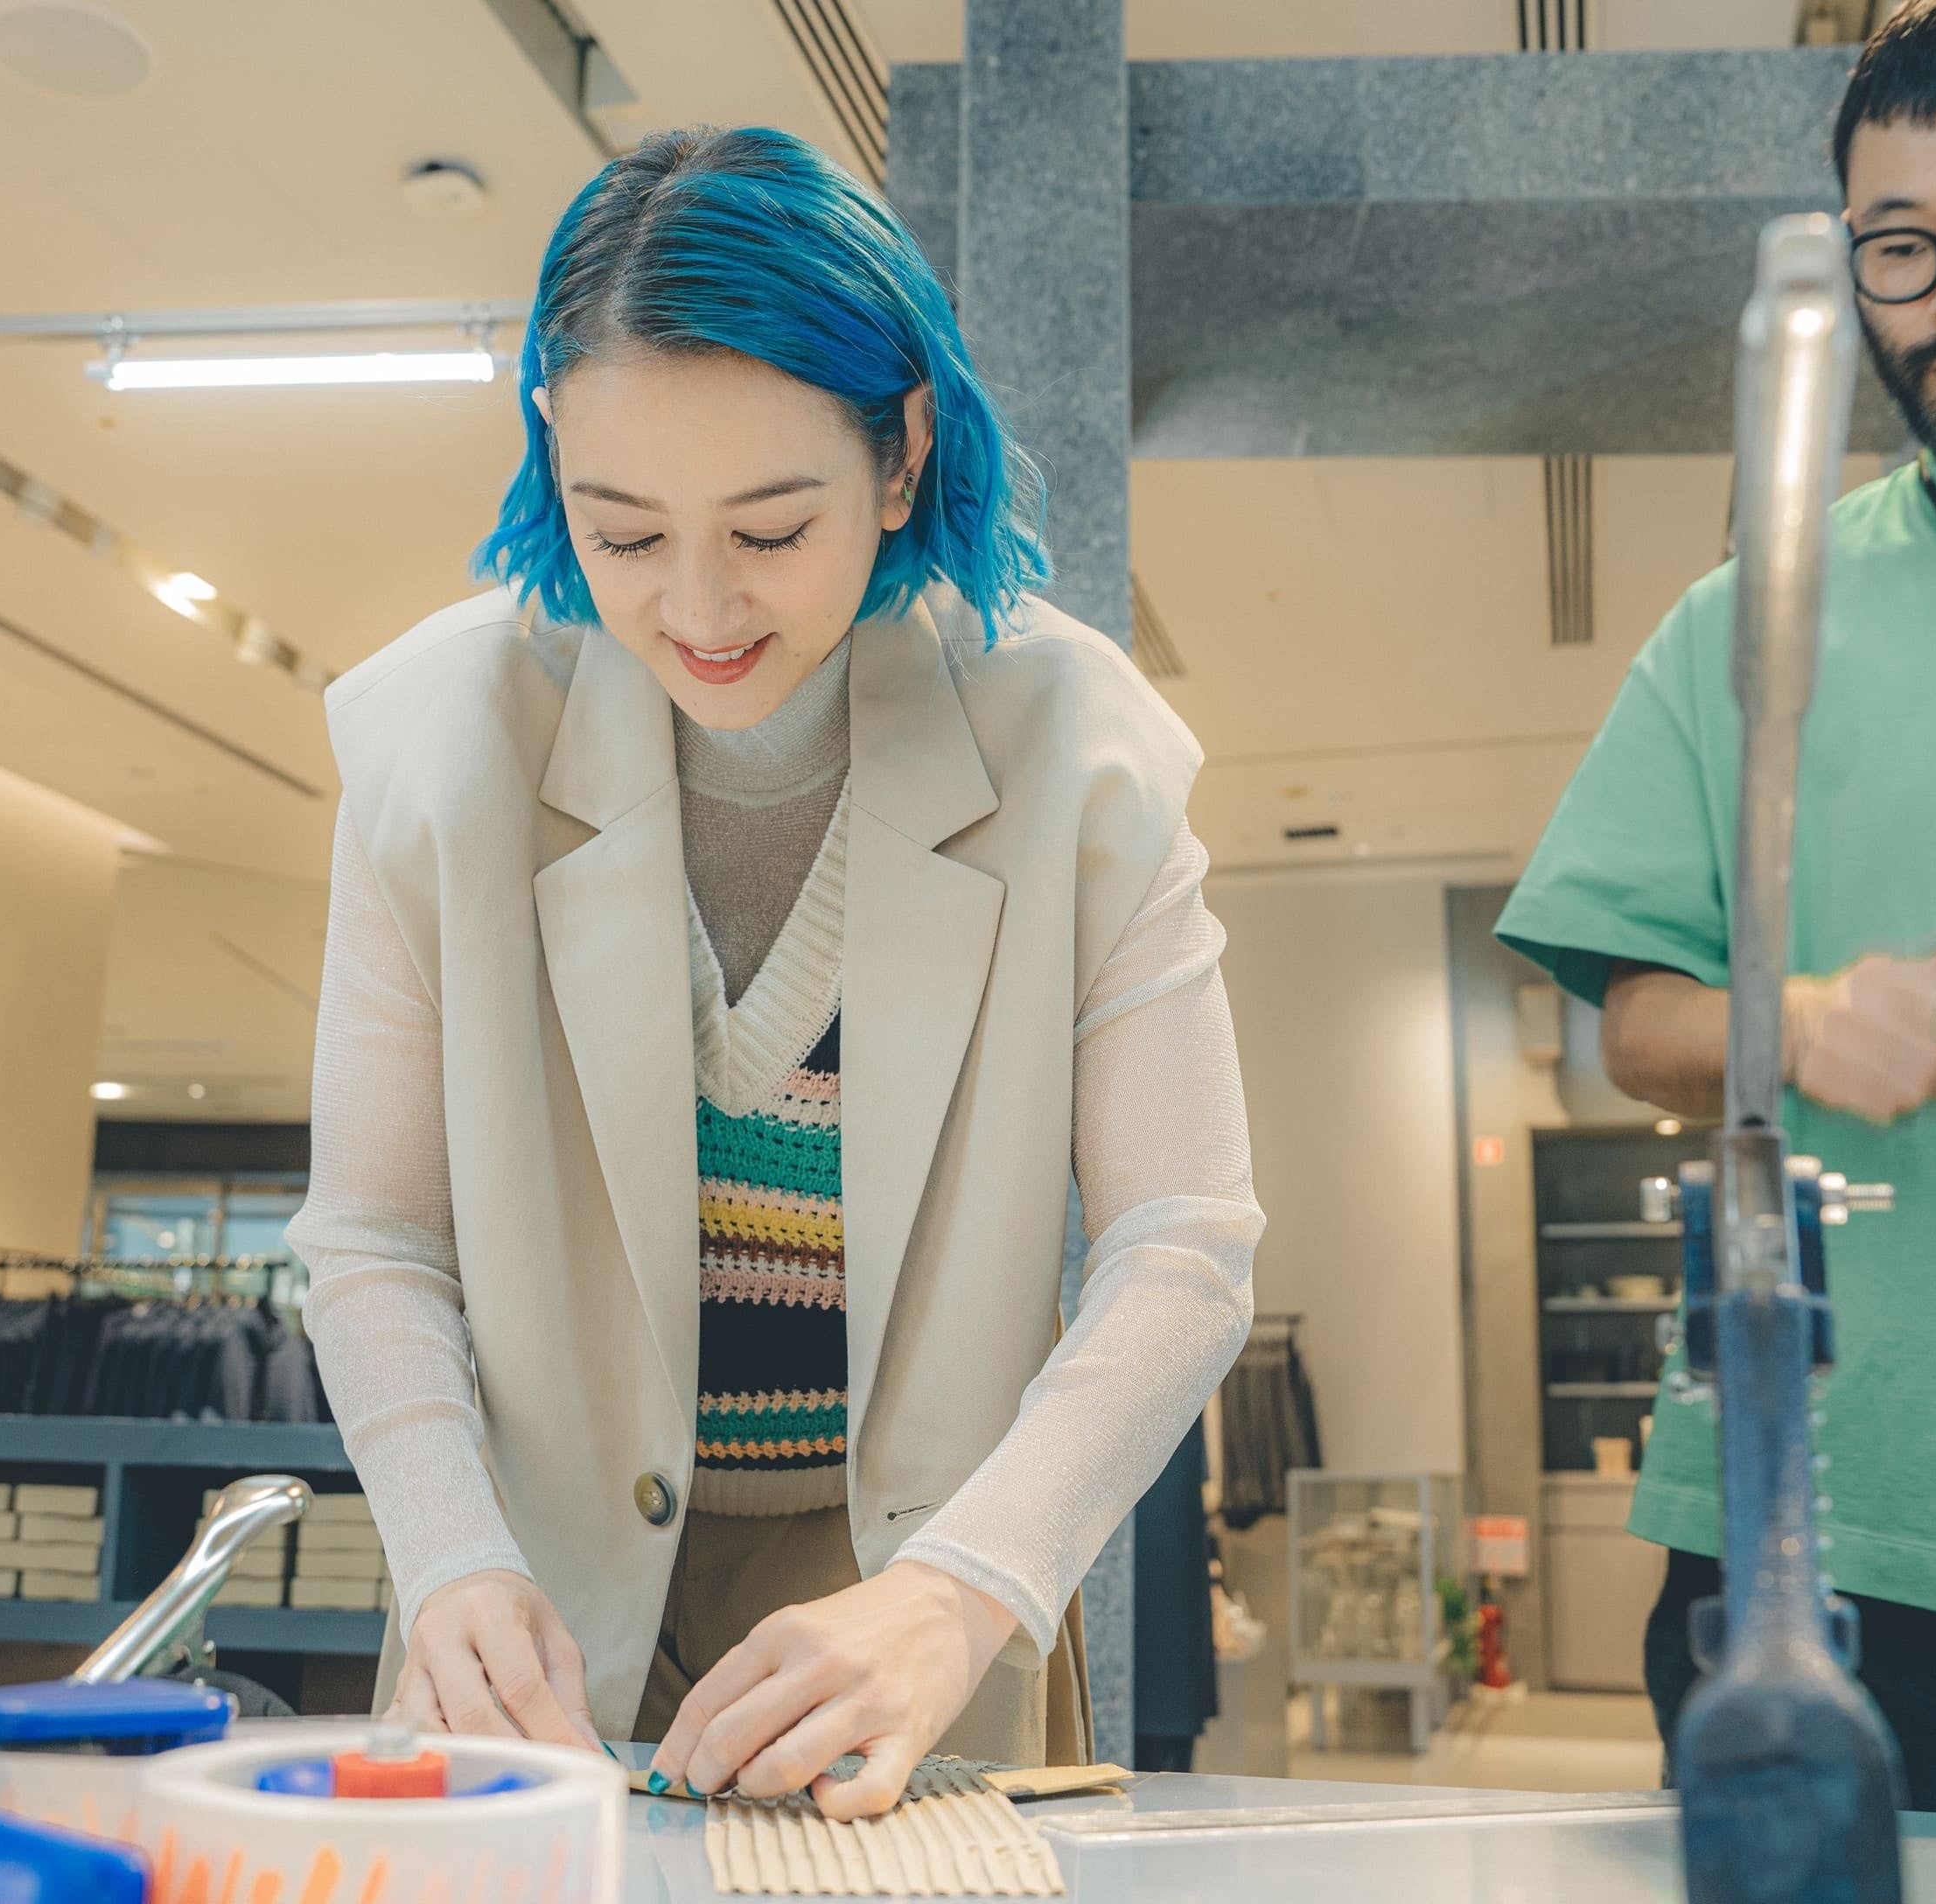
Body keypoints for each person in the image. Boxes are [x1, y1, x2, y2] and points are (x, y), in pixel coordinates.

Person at [290, 126, 1264, 1819]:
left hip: (912, 1603)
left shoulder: (1079, 754)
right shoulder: (433, 749)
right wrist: (449, 1555)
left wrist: (968, 1587)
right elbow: (375, 1235)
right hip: (526, 1604)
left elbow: (1184, 1244)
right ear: (551, 449)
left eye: (769, 527)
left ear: (901, 453)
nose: (700, 606)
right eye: (624, 533)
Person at [1497, 0, 1936, 1825]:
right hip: (1828, 1544)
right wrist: (1793, 1022)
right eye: (1901, 246)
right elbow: (1634, 1018)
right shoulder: (1750, 621)